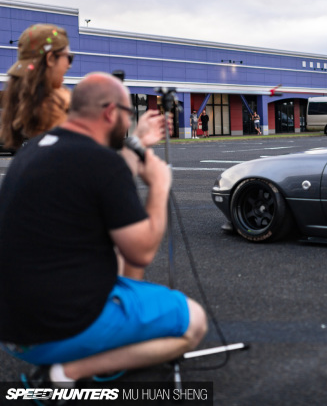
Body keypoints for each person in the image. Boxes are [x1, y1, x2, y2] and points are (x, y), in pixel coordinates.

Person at [0, 72, 207, 387]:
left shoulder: (36, 148)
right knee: (195, 322)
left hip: (11, 328)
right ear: (111, 112)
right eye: (127, 114)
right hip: (52, 330)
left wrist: (136, 142)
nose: (128, 122)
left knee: (115, 248)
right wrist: (159, 186)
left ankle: (111, 333)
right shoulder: (100, 162)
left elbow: (105, 181)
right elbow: (142, 250)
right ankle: (68, 372)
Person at [0, 23, 168, 167]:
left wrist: (137, 140)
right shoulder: (57, 124)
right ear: (50, 59)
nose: (69, 65)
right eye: (69, 57)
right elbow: (101, 176)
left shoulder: (26, 143)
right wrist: (158, 184)